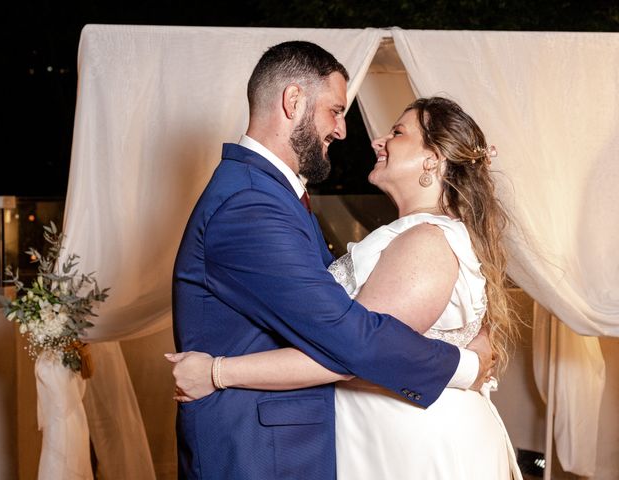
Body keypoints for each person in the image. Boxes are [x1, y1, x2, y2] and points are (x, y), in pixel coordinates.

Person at [170, 41, 493, 480]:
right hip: (258, 450)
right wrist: (463, 364)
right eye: (335, 111)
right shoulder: (252, 203)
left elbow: (339, 332)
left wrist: (219, 371)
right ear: (293, 101)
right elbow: (347, 336)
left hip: (325, 443)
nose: (343, 131)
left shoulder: (271, 197)